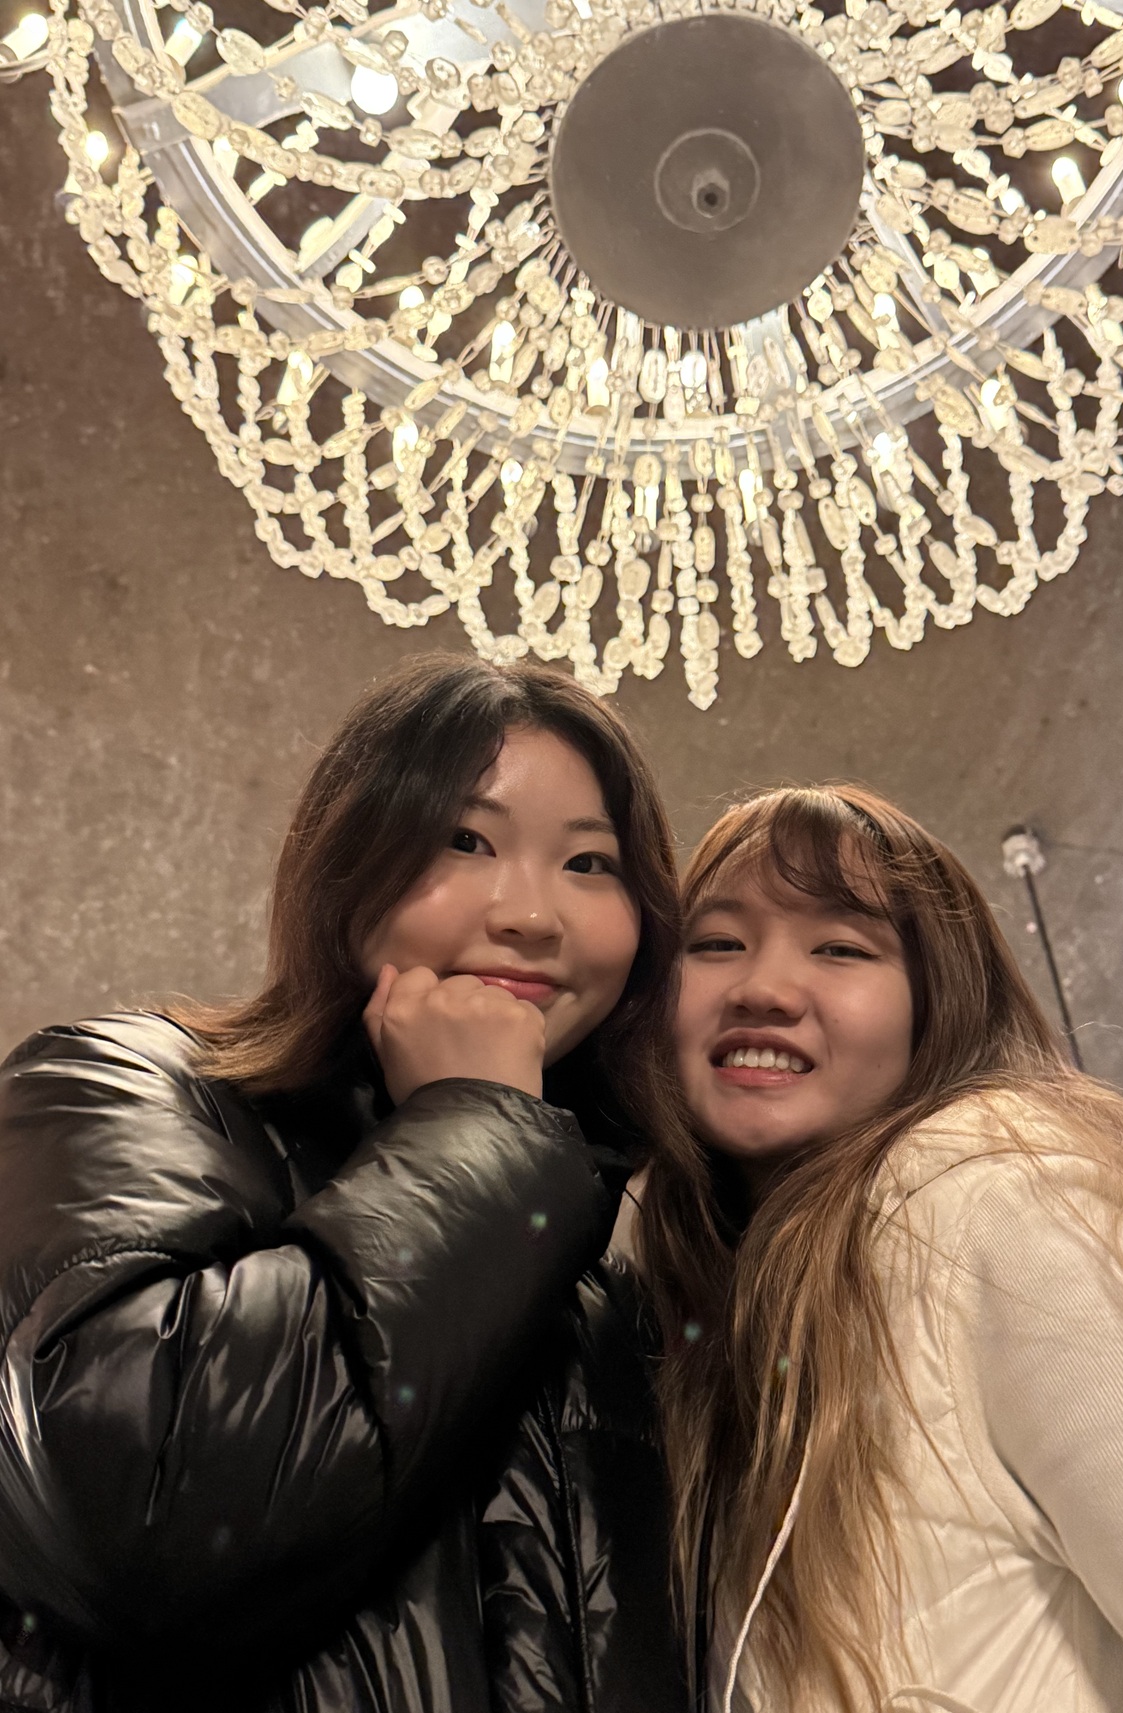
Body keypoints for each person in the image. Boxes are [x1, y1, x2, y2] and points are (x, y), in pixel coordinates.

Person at [0, 656, 687, 1713]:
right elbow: (139, 1520)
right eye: (466, 840)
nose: (534, 915)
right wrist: (473, 1124)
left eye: (590, 865)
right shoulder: (116, 1084)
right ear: (348, 861)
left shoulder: (617, 1249)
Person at [638, 783, 1123, 1713]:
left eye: (840, 947)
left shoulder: (1000, 1199)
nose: (762, 987)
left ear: (934, 1005)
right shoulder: (722, 1326)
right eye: (716, 943)